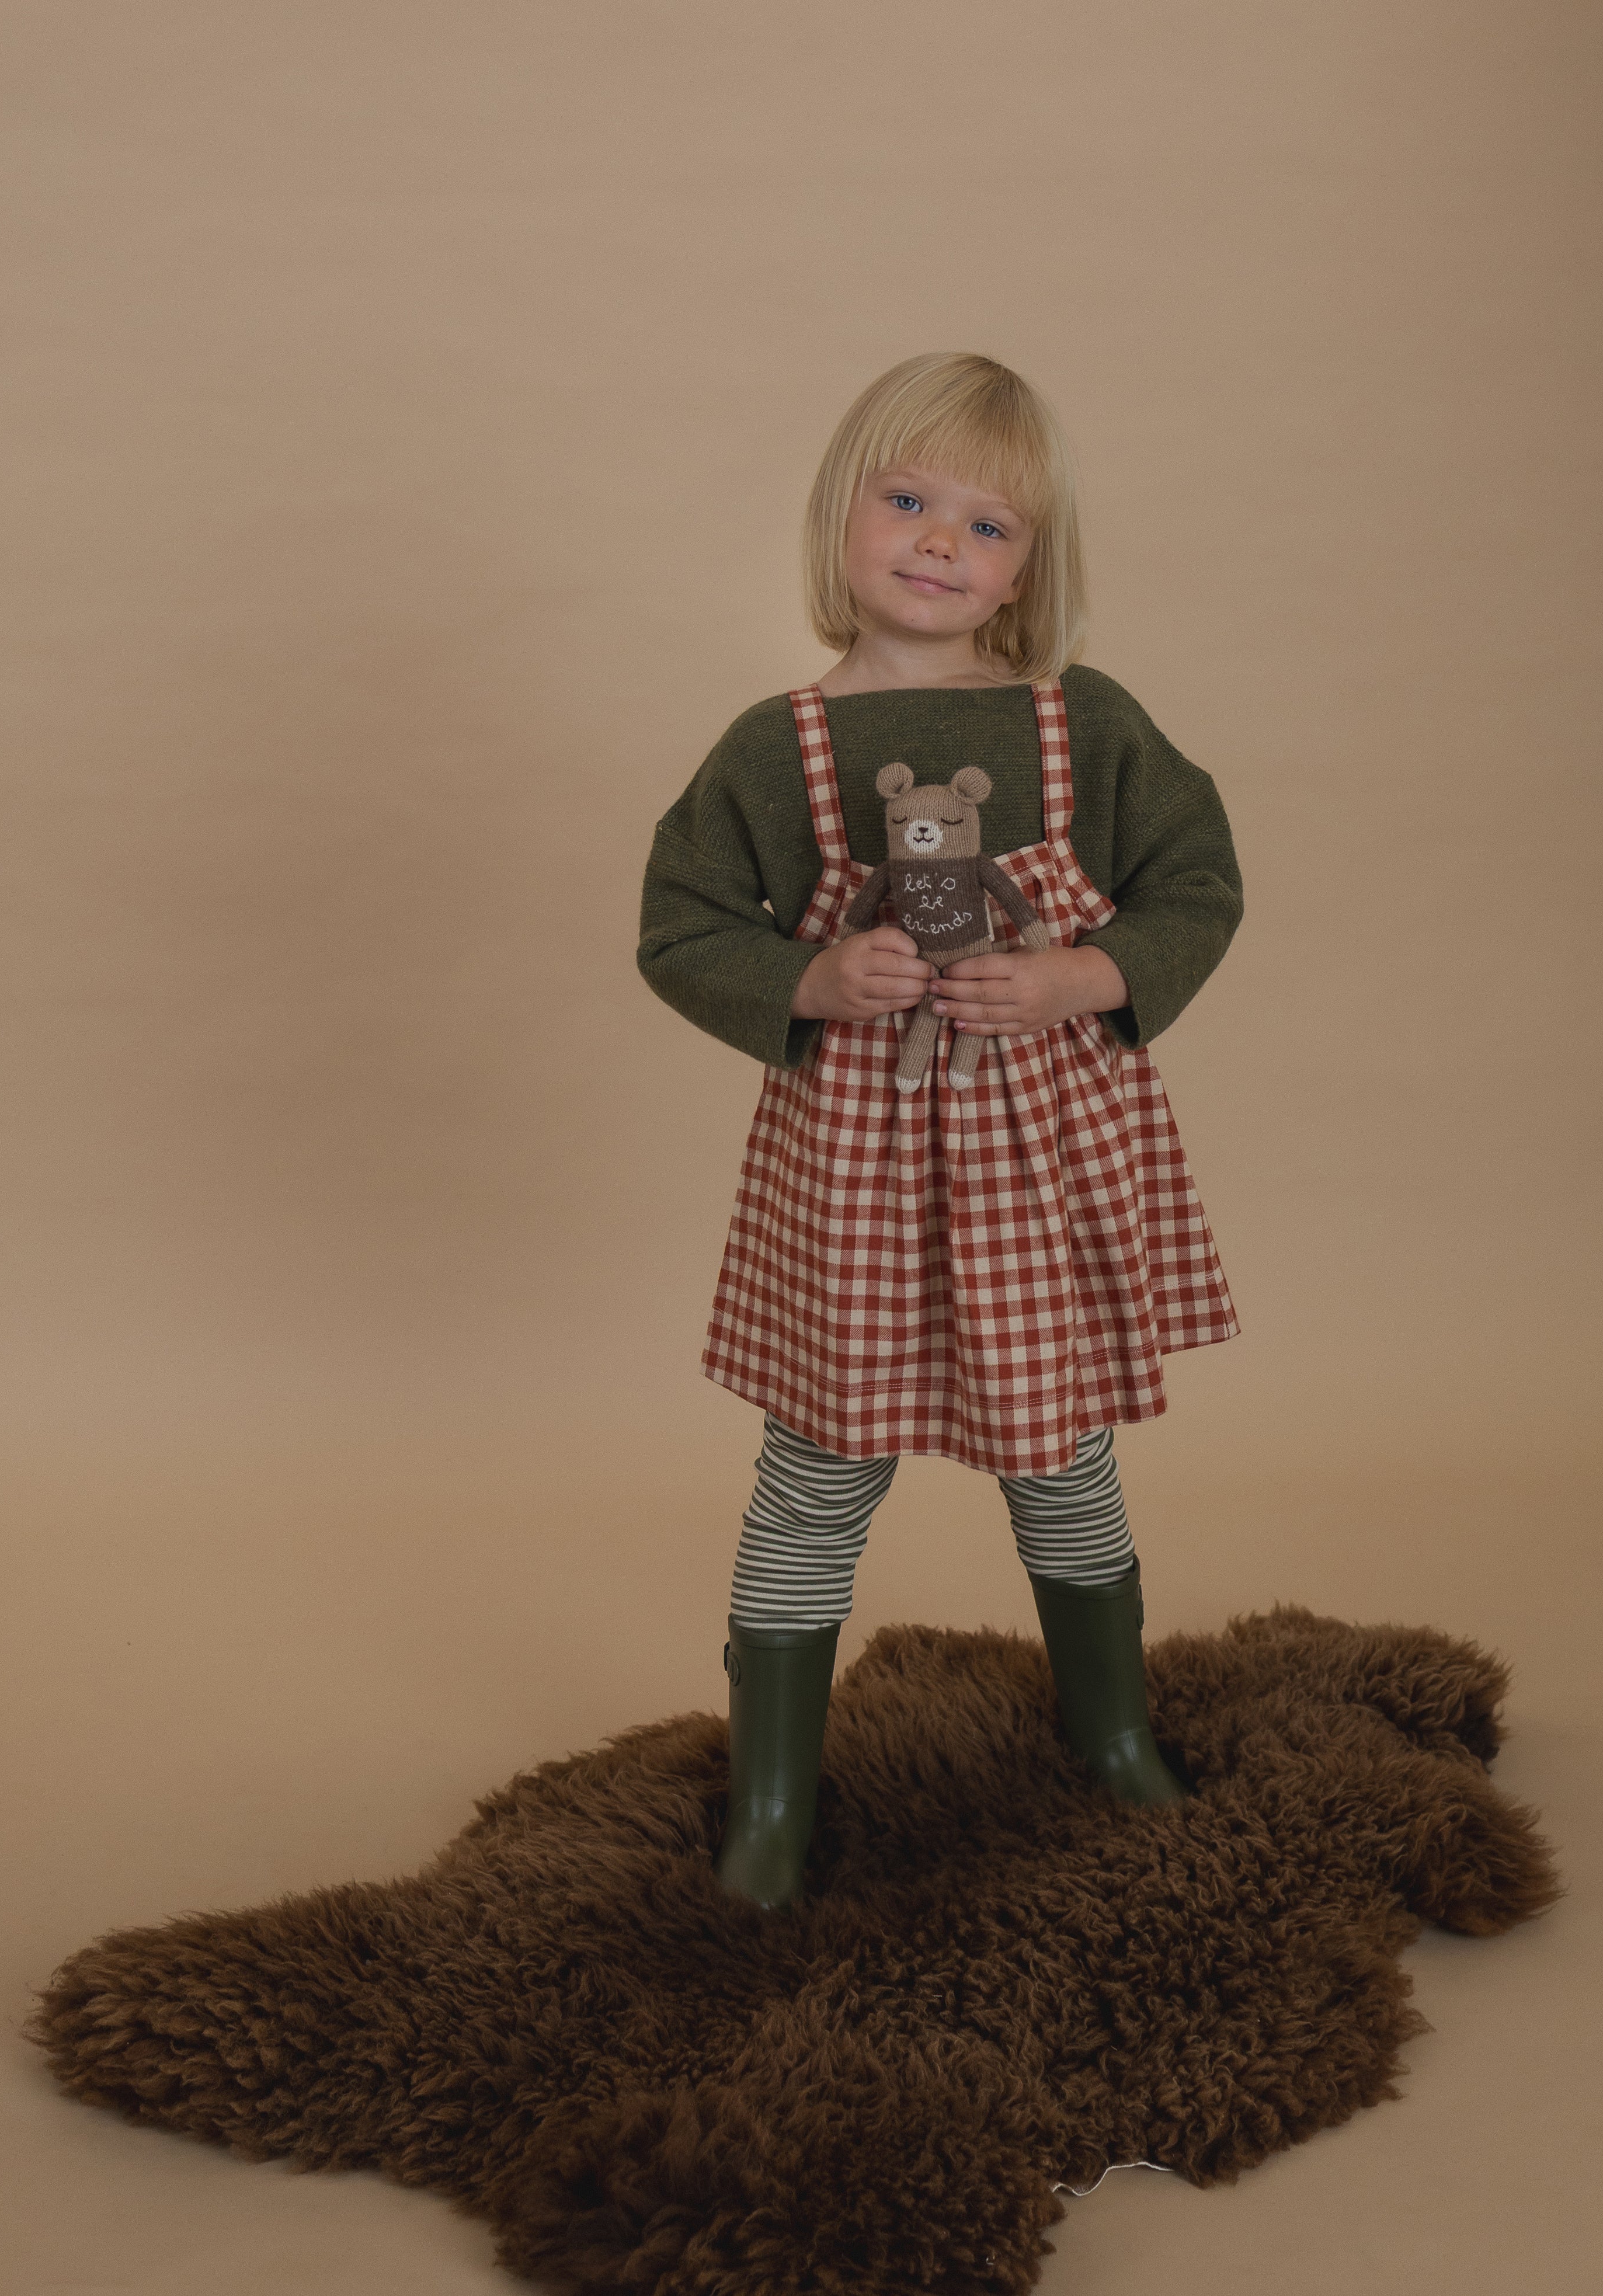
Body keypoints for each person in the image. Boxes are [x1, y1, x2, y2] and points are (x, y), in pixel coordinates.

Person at [638, 353, 1242, 1908]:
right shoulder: (773, 749)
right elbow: (684, 928)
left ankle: (1112, 1736)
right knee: (818, 1468)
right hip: (852, 1175)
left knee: (1066, 1463)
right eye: (907, 501)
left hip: (1041, 1171)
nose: (938, 543)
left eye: (987, 524)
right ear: (846, 513)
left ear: (1028, 566)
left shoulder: (1079, 724)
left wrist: (1080, 975)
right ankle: (773, 1797)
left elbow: (1197, 884)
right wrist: (814, 975)